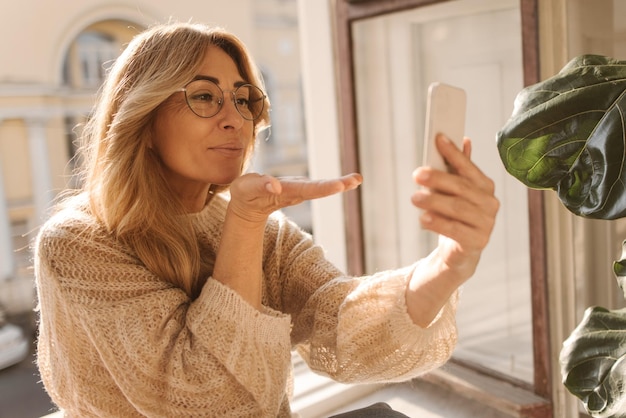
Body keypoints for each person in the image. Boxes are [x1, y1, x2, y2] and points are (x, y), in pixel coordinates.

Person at [33, 21, 499, 418]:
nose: (235, 119)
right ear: (143, 119)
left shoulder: (268, 232)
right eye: (204, 97)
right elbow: (207, 399)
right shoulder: (77, 243)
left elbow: (339, 324)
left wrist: (449, 264)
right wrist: (246, 220)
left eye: (241, 99)